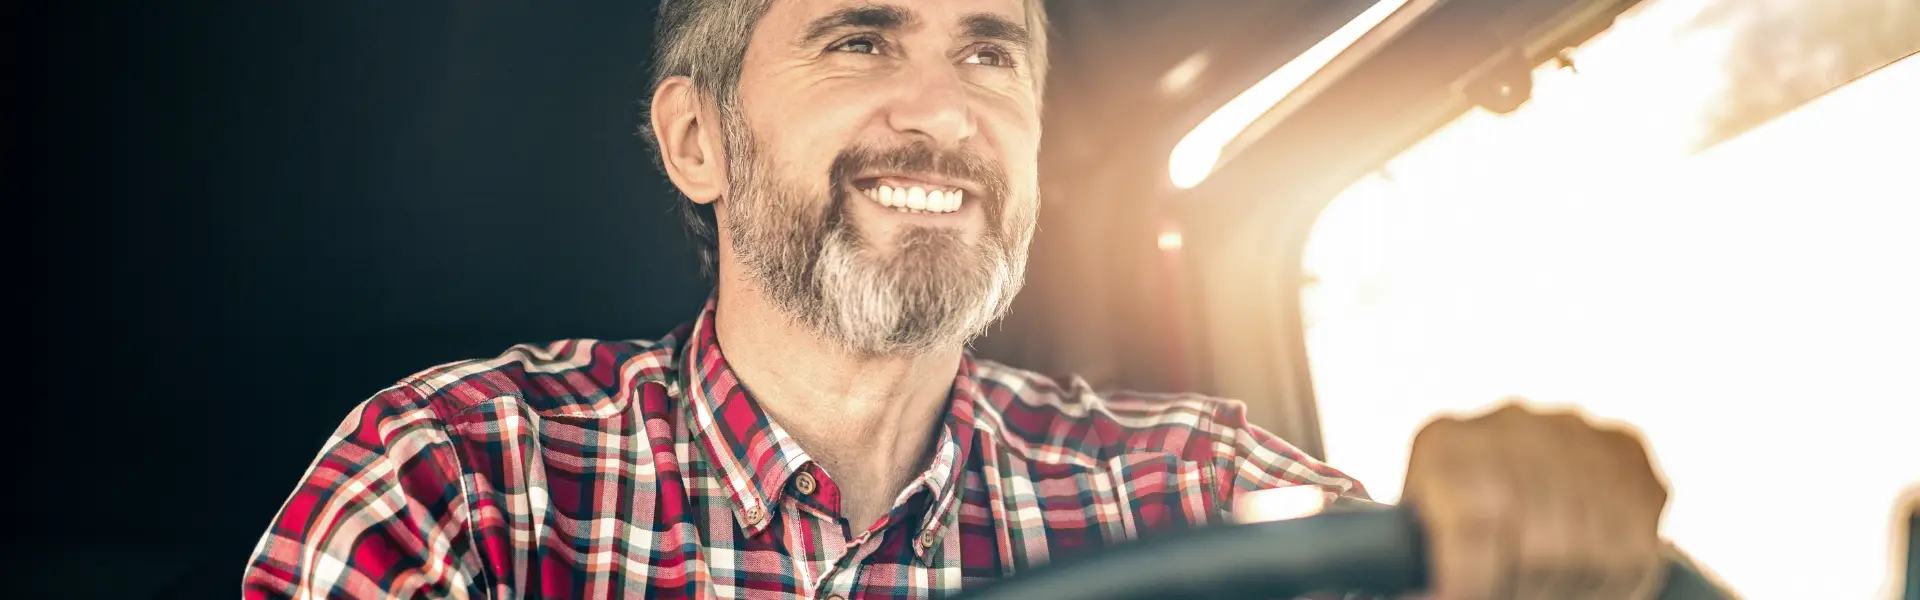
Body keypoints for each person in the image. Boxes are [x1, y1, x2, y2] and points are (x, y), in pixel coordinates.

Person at [242, 1, 1672, 598]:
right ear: (696, 142)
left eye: (992, 55)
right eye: (863, 38)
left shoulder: (1198, 491)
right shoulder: (461, 479)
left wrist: (1507, 547)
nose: (942, 114)